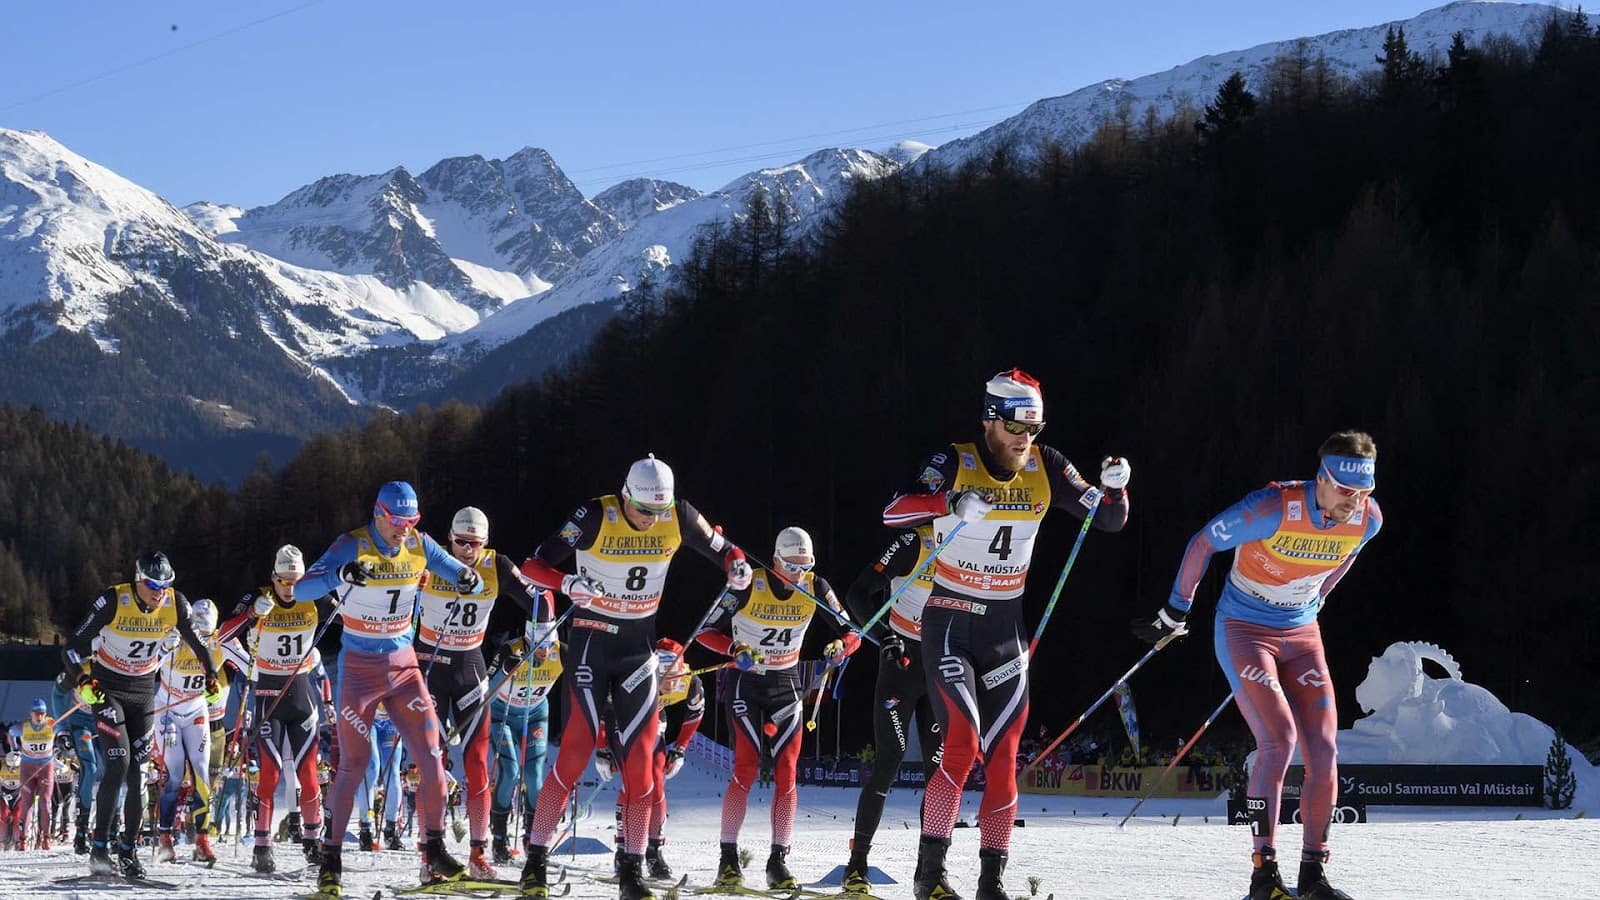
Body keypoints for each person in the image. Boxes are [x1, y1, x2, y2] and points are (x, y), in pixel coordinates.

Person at [881, 368, 1130, 900]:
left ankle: (991, 884)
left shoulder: (1049, 465)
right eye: (1017, 427)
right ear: (991, 418)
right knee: (963, 743)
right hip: (949, 620)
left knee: (1003, 758)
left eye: (1035, 428)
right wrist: (946, 504)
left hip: (1005, 629)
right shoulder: (952, 461)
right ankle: (930, 879)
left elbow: (1106, 520)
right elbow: (894, 512)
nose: (1025, 439)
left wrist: (1116, 488)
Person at [1131, 430, 1382, 900]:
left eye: (1365, 491)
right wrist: (1175, 610)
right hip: (1245, 629)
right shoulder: (1273, 508)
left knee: (1325, 749)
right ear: (1322, 480)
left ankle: (1313, 875)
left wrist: (1317, 598)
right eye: (1347, 491)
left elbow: (1347, 558)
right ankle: (1263, 875)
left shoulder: (1367, 519)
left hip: (1302, 634)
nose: (1356, 502)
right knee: (1279, 739)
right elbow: (1204, 541)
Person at [516, 454, 752, 900]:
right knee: (573, 756)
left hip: (637, 650)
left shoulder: (678, 514)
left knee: (644, 770)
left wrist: (736, 566)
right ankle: (535, 862)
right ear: (626, 496)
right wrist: (567, 585)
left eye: (658, 512)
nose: (651, 521)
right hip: (590, 642)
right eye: (644, 511)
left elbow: (726, 550)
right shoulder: (593, 514)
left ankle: (631, 868)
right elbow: (533, 565)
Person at [299, 481, 479, 898]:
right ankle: (331, 860)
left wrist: (466, 576)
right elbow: (302, 588)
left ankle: (432, 850)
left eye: (411, 521)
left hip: (403, 667)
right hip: (360, 669)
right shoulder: (352, 545)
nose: (403, 529)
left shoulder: (418, 543)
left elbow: (452, 567)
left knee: (434, 761)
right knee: (354, 765)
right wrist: (339, 575)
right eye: (397, 521)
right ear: (379, 513)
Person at [694, 526, 861, 890]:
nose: (798, 575)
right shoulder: (747, 584)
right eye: (791, 566)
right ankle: (728, 860)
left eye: (804, 566)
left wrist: (840, 646)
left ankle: (778, 861)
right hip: (746, 684)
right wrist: (733, 650)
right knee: (745, 768)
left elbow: (853, 632)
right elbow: (705, 631)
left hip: (786, 684)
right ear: (774, 561)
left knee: (787, 773)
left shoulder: (816, 587)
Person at [65, 550, 220, 880]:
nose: (159, 591)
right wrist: (82, 678)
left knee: (138, 772)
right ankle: (99, 848)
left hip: (144, 694)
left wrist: (211, 674)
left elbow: (197, 640)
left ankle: (127, 851)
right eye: (153, 584)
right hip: (109, 690)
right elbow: (72, 644)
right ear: (138, 580)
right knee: (118, 763)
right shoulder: (114, 600)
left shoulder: (174, 604)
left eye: (166, 584)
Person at [416, 506, 551, 880]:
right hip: (428, 666)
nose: (466, 550)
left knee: (477, 766)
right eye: (460, 542)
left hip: (470, 668)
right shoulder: (430, 560)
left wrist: (540, 632)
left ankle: (478, 854)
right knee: (432, 766)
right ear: (449, 539)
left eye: (473, 543)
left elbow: (540, 600)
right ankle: (430, 856)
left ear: (485, 542)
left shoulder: (498, 565)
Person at [838, 525, 943, 892]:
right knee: (889, 761)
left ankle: (930, 875)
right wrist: (886, 635)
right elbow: (858, 594)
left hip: (943, 668)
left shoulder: (975, 545)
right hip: (903, 666)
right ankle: (856, 867)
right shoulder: (916, 540)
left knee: (940, 773)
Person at [236, 544, 339, 874]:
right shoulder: (259, 597)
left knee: (309, 775)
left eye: (297, 581)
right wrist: (251, 615)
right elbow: (224, 634)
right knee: (270, 773)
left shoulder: (316, 597)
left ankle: (312, 841)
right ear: (274, 577)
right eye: (285, 581)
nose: (291, 588)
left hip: (302, 696)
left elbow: (352, 615)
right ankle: (262, 845)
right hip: (268, 695)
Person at [602, 638, 705, 879]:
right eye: (663, 678)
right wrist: (602, 748)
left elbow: (695, 713)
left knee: (657, 783)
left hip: (655, 720)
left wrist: (679, 748)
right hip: (624, 721)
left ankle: (653, 850)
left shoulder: (690, 682)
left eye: (673, 677)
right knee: (634, 785)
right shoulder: (634, 678)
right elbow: (602, 709)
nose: (669, 684)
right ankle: (623, 849)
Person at [154, 597, 245, 864]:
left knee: (202, 775)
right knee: (173, 776)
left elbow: (253, 669)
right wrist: (163, 647)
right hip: (168, 711)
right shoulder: (175, 637)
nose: (202, 640)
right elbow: (147, 666)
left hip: (196, 711)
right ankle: (165, 840)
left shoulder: (221, 641)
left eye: (207, 633)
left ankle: (202, 840)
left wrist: (250, 653)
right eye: (198, 632)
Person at [488, 607, 562, 864]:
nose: (544, 652)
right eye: (539, 646)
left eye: (548, 646)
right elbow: (488, 680)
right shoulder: (512, 648)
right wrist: (506, 668)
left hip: (535, 716)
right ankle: (499, 838)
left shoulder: (560, 652)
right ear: (528, 639)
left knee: (534, 775)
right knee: (509, 771)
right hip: (503, 715)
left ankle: (533, 837)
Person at [50, 668, 101, 854]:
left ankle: (109, 830)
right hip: (81, 722)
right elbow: (57, 692)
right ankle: (82, 830)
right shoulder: (80, 668)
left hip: (105, 719)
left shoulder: (117, 663)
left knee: (116, 768)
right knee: (90, 768)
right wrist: (62, 729)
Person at [7, 698, 56, 850]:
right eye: (36, 713)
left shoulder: (52, 724)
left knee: (45, 803)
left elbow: (64, 732)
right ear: (31, 713)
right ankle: (22, 840)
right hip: (27, 767)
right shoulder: (24, 726)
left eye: (42, 713)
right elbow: (10, 732)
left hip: (46, 766)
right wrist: (14, 749)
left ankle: (46, 838)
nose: (39, 716)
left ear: (45, 713)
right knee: (26, 803)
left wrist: (63, 740)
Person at [0, 751, 21, 850]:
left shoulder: (24, 767)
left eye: (15, 767)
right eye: (10, 766)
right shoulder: (2, 765)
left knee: (17, 817)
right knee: (3, 816)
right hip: (4, 794)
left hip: (18, 795)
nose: (12, 769)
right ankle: (2, 841)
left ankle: (18, 841)